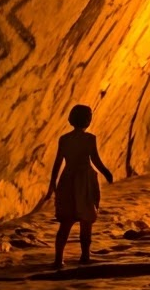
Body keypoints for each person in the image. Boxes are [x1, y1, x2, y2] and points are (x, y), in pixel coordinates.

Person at [43, 104, 113, 269]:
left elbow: (58, 162)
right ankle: (85, 255)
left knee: (66, 222)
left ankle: (58, 258)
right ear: (88, 120)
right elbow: (95, 159)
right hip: (85, 180)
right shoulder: (90, 139)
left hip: (68, 178)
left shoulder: (64, 139)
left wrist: (53, 182)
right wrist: (106, 172)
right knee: (86, 220)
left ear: (71, 119)